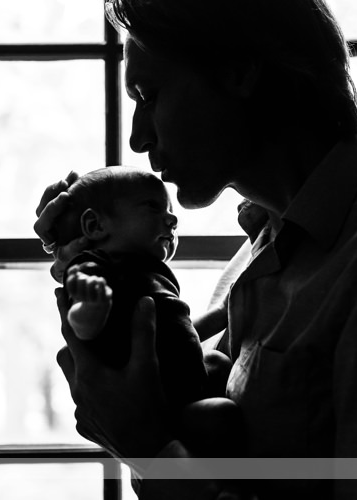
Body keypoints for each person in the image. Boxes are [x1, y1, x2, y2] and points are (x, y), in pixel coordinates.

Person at [34, 0, 357, 498]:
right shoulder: (262, 247)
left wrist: (150, 450)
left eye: (149, 94)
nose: (137, 138)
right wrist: (98, 255)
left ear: (240, 70)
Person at [48, 166, 241, 460]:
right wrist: (90, 309)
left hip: (180, 382)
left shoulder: (151, 273)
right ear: (96, 226)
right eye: (153, 206)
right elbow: (81, 329)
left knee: (216, 360)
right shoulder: (97, 267)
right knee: (222, 415)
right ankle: (228, 484)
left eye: (171, 214)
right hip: (155, 401)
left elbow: (174, 334)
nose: (173, 220)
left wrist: (220, 313)